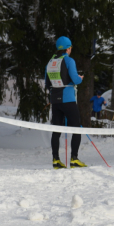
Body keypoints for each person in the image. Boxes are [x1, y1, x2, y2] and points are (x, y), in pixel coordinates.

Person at [45, 36, 86, 169]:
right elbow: (75, 79)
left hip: (55, 101)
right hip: (68, 99)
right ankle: (74, 159)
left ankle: (56, 160)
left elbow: (47, 83)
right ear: (68, 48)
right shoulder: (69, 60)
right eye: (70, 48)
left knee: (56, 130)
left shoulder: (50, 62)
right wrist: (80, 78)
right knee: (76, 128)